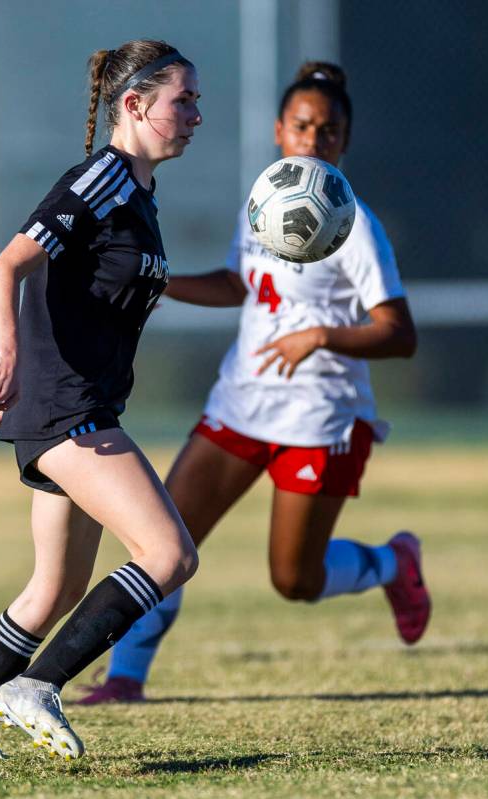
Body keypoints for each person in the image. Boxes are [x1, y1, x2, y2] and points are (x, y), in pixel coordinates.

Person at [79, 61, 431, 705]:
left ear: (344, 140)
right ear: (279, 131)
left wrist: (320, 335)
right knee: (163, 536)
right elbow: (242, 284)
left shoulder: (356, 226)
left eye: (329, 131)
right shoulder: (269, 198)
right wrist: (162, 283)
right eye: (302, 127)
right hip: (240, 404)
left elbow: (399, 333)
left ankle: (392, 563)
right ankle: (125, 679)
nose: (314, 141)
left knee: (294, 579)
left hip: (320, 418)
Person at [0, 39, 202, 764]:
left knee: (55, 587)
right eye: (184, 99)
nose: (194, 113)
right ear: (134, 105)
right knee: (168, 553)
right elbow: (6, 266)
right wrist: (6, 360)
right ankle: (36, 685)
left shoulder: (137, 194)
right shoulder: (102, 177)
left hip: (77, 404)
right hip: (64, 405)